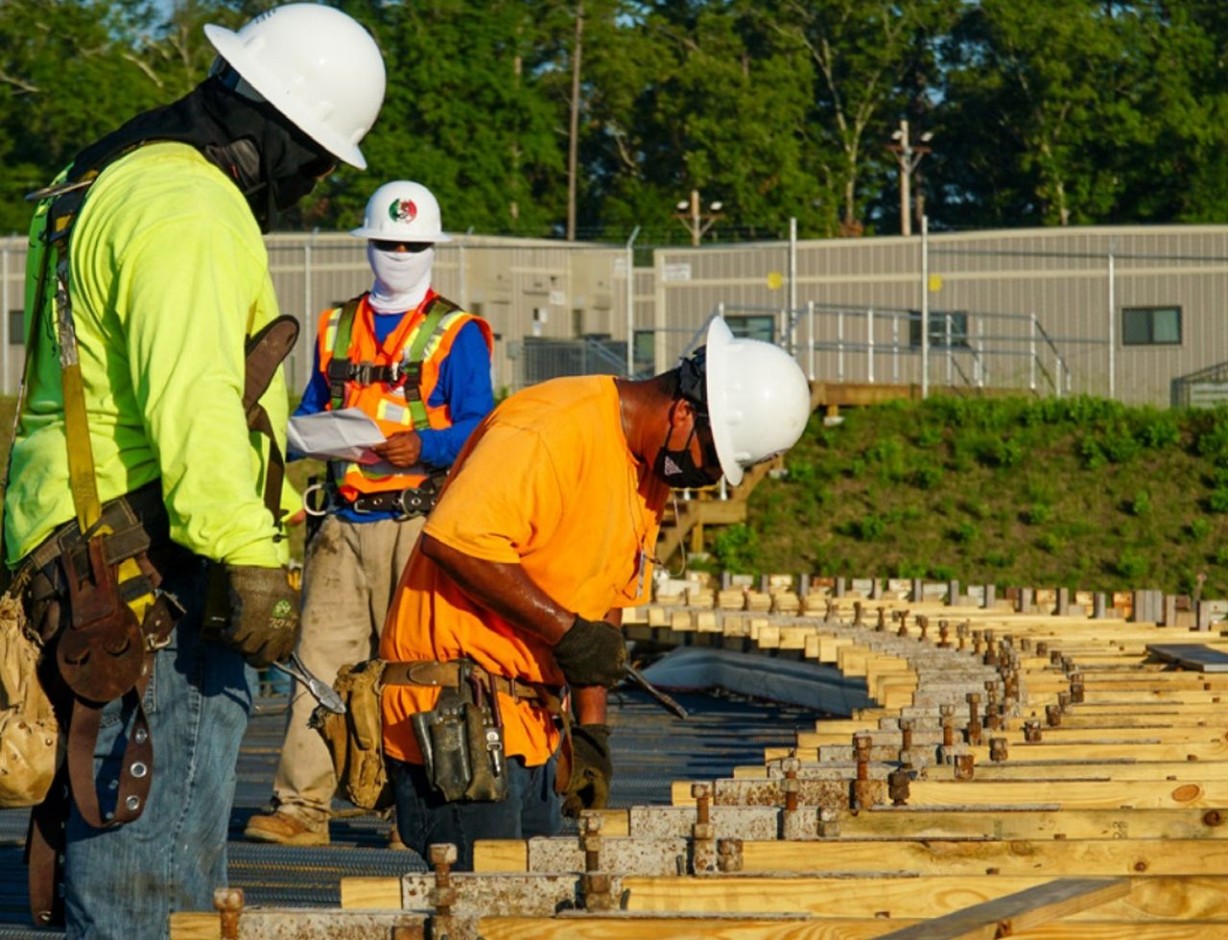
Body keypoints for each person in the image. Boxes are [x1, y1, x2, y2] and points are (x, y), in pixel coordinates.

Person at [3, 4, 385, 935]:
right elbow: (196, 403)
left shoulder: (110, 178)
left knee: (129, 862)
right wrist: (254, 558)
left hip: (84, 554)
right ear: (282, 135)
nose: (313, 183)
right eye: (318, 160)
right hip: (156, 574)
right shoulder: (189, 207)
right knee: (154, 890)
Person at [377, 315, 813, 869]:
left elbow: (600, 613)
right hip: (456, 708)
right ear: (683, 413)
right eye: (709, 461)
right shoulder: (553, 428)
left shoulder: (645, 470)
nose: (704, 480)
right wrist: (566, 633)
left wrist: (591, 736)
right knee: (479, 906)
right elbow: (456, 542)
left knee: (528, 906)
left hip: (529, 721)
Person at [245, 181, 495, 847]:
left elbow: (481, 427)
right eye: (388, 243)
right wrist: (307, 435)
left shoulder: (459, 335)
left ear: (432, 248)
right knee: (318, 664)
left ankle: (410, 812)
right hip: (342, 523)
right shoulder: (334, 327)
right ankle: (301, 808)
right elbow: (303, 412)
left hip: (418, 522)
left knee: (416, 668)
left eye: (412, 244)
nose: (400, 254)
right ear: (368, 245)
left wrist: (429, 445)